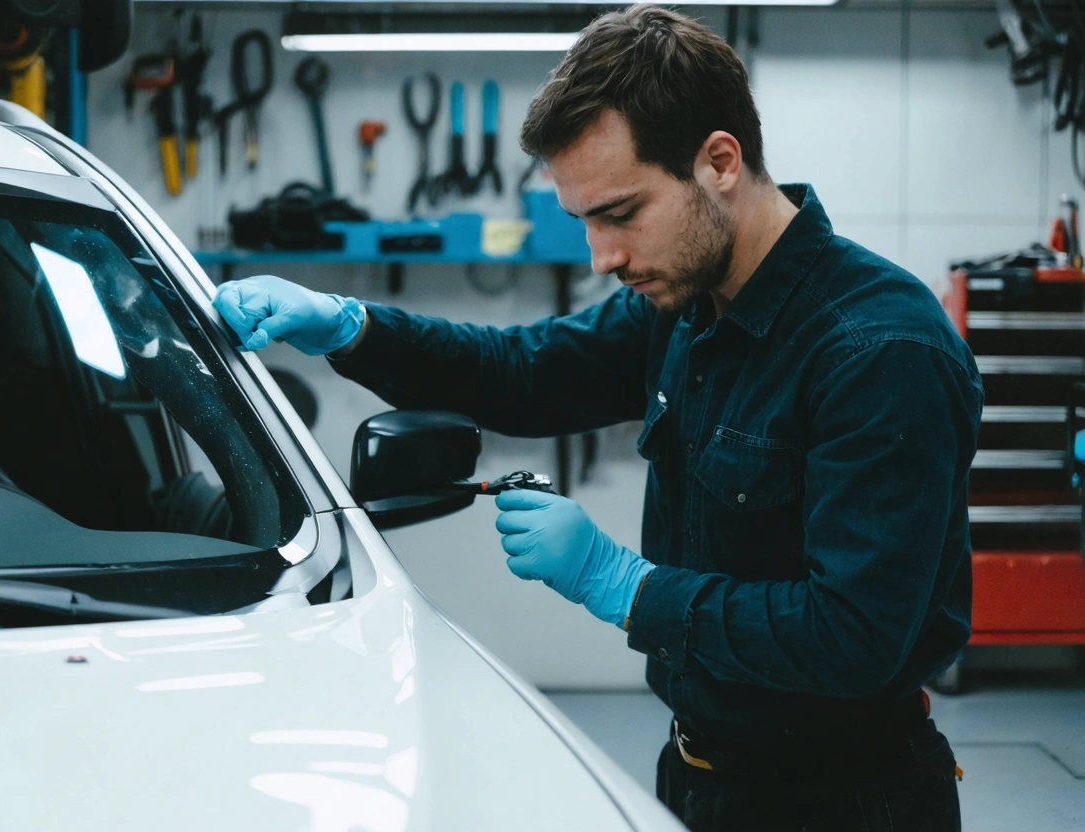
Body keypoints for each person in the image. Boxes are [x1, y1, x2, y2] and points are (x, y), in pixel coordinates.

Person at [212, 7, 981, 830]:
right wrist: (351, 326)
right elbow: (524, 372)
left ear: (720, 161)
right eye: (585, 221)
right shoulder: (688, 307)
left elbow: (854, 636)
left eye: (620, 213)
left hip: (846, 803)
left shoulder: (877, 350)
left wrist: (624, 586)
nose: (601, 258)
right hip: (699, 774)